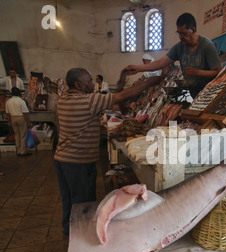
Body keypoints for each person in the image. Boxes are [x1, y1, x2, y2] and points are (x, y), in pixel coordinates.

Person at [54, 68, 162, 235]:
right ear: (78, 85)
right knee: (83, 203)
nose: (93, 84)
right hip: (78, 162)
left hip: (62, 159)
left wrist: (121, 80)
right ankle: (81, 236)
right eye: (89, 81)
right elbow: (121, 97)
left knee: (69, 199)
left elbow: (116, 98)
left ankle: (68, 231)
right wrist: (149, 83)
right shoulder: (87, 101)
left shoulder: (63, 100)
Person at [125, 13, 222, 98]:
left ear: (193, 30)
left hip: (208, 92)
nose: (180, 37)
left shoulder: (206, 45)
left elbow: (218, 72)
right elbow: (160, 63)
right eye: (178, 33)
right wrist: (138, 68)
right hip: (192, 92)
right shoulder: (179, 48)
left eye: (183, 33)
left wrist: (198, 72)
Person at [5, 87, 32, 156]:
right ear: (19, 93)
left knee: (16, 135)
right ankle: (23, 151)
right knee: (23, 135)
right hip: (21, 118)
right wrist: (28, 122)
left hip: (13, 118)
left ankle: (18, 150)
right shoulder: (21, 101)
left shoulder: (8, 102)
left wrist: (9, 121)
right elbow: (25, 113)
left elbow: (7, 113)